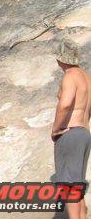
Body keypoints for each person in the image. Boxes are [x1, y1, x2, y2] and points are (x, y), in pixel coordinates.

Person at [51, 38, 91, 219]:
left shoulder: (70, 76)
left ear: (60, 58)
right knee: (77, 186)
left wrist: (56, 130)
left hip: (70, 132)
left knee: (68, 187)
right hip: (84, 133)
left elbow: (65, 105)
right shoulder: (88, 78)